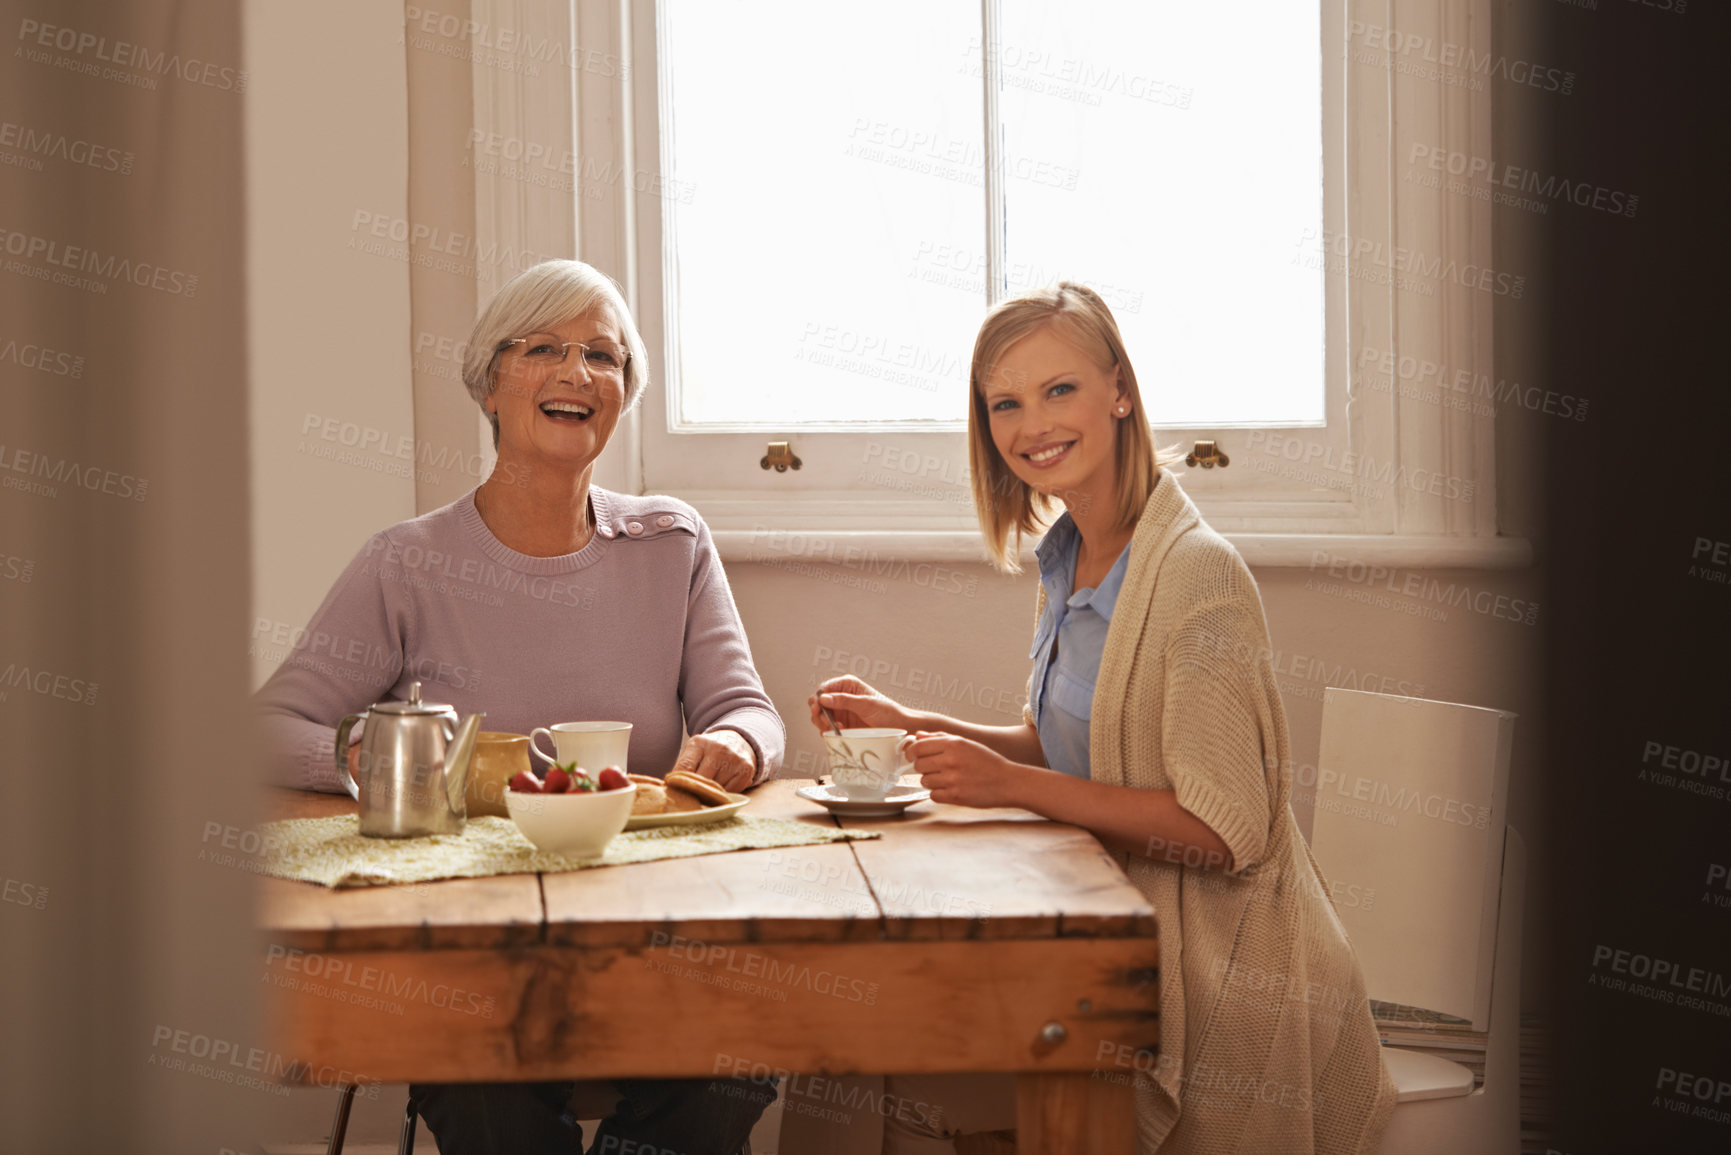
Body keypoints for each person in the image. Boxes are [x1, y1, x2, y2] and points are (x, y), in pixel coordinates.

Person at [809, 284, 1397, 1154]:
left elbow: (1222, 829)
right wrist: (908, 722)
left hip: (1232, 969)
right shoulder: (1070, 554)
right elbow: (1065, 746)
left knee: (913, 1057)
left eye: (1058, 390)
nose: (1030, 424)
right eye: (1004, 402)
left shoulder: (1195, 575)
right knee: (875, 1048)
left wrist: (1014, 786)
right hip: (1113, 914)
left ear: (1118, 390)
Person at [257, 258, 783, 1154]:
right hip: (472, 935)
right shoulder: (407, 562)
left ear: (623, 393)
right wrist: (368, 761)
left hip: (649, 920)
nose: (578, 373)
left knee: (745, 1046)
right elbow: (269, 729)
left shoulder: (671, 543)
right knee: (483, 1085)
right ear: (489, 384)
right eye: (543, 348)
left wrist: (736, 741)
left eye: (604, 356)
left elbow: (747, 708)